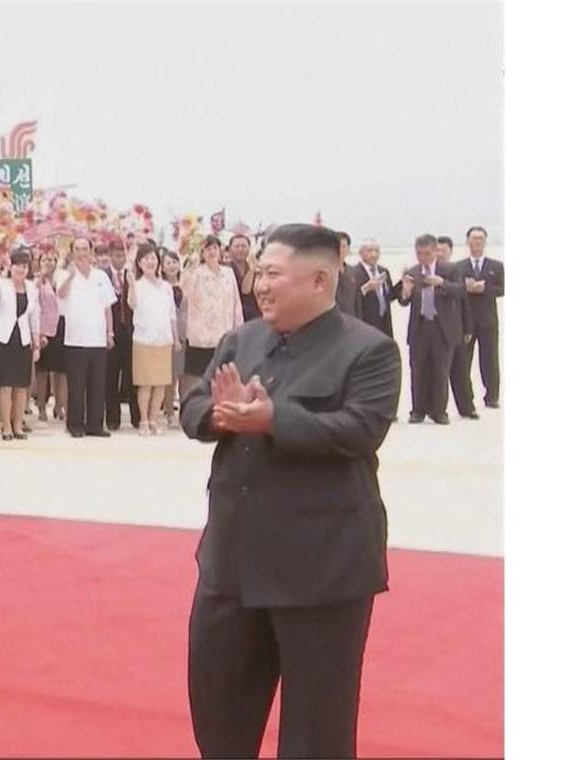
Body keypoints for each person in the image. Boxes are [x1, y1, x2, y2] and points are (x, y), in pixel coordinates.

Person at [181, 223, 401, 760]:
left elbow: (358, 430)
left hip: (320, 569)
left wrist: (273, 419)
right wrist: (221, 415)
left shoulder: (369, 351)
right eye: (260, 272)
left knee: (316, 734)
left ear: (320, 281)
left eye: (274, 273)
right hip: (232, 564)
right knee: (219, 718)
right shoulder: (242, 339)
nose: (260, 284)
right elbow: (192, 407)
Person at [393, 234, 464, 424]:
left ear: (435, 252)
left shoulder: (449, 269)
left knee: (441, 370)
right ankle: (418, 410)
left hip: (442, 327)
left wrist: (441, 283)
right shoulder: (412, 271)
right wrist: (405, 292)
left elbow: (460, 291)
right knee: (418, 369)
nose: (422, 257)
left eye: (426, 253)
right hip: (420, 326)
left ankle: (439, 411)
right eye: (419, 253)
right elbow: (402, 301)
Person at [59, 237, 117, 438]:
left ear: (91, 251)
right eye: (78, 249)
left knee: (97, 384)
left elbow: (108, 307)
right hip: (75, 339)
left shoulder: (101, 276)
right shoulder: (65, 274)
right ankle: (75, 424)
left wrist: (110, 332)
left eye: (85, 249)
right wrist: (70, 276)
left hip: (97, 339)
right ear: (72, 252)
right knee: (76, 385)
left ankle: (95, 425)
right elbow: (60, 294)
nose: (82, 253)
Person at [0, 248, 41, 440]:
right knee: (5, 385)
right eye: (18, 265)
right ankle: (6, 425)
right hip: (3, 339)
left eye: (25, 266)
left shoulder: (32, 288)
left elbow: (34, 316)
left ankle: (18, 424)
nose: (21, 269)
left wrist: (36, 344)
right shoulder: (1, 284)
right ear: (11, 266)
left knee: (21, 385)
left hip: (23, 339)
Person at [181, 235, 244, 390]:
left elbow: (236, 302)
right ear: (202, 252)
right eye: (207, 249)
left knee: (222, 378)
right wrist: (191, 267)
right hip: (201, 337)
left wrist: (239, 328)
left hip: (224, 333)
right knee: (197, 380)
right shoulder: (196, 273)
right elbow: (184, 290)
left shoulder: (228, 273)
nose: (212, 252)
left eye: (215, 248)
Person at [127, 243, 178, 435]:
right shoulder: (137, 285)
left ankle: (154, 419)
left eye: (153, 258)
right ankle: (143, 420)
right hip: (144, 340)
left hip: (164, 339)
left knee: (161, 384)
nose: (150, 262)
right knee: (146, 383)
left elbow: (172, 313)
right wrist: (131, 285)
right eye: (146, 259)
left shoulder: (166, 286)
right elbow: (132, 304)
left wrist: (175, 337)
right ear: (139, 263)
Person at [457, 226, 503, 409]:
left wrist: (486, 288)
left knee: (490, 359)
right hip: (465, 320)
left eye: (480, 239)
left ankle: (492, 396)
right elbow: (452, 288)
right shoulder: (459, 267)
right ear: (467, 241)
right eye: (473, 238)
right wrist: (465, 287)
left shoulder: (496, 266)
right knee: (464, 360)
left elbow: (503, 288)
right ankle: (467, 398)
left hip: (488, 320)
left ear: (485, 242)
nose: (477, 242)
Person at [437, 235, 478, 419]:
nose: (440, 254)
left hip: (456, 329)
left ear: (450, 252)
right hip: (436, 332)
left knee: (461, 370)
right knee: (439, 372)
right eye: (437, 251)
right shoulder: (426, 272)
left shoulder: (456, 271)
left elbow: (464, 303)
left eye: (443, 251)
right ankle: (438, 409)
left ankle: (467, 408)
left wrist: (468, 327)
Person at [104, 238, 140, 430]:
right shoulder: (103, 275)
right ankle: (112, 418)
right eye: (117, 255)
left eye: (123, 256)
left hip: (130, 331)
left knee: (131, 375)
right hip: (110, 332)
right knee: (110, 376)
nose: (120, 259)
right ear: (110, 255)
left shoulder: (131, 275)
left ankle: (136, 416)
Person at [34, 248, 67, 423]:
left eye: (51, 260)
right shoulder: (37, 280)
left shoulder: (63, 276)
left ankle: (60, 405)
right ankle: (40, 406)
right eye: (44, 260)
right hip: (43, 327)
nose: (48, 263)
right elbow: (34, 299)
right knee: (42, 371)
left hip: (61, 325)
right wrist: (42, 276)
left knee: (61, 371)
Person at [161, 248, 189, 428]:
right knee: (170, 376)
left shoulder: (187, 282)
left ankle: (185, 412)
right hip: (169, 334)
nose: (172, 266)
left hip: (187, 332)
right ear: (162, 267)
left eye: (174, 262)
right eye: (168, 263)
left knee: (185, 376)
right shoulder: (161, 286)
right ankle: (169, 411)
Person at [354, 239, 393, 338]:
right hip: (366, 323)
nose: (374, 254)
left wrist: (403, 285)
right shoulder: (354, 273)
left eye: (376, 251)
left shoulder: (383, 271)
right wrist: (366, 288)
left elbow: (390, 295)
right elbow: (351, 299)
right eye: (370, 251)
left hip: (384, 322)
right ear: (361, 253)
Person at [226, 233, 261, 322]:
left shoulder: (256, 268)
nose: (240, 249)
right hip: (231, 317)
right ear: (230, 249)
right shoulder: (224, 269)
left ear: (249, 248)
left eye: (244, 246)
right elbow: (244, 290)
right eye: (237, 246)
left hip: (254, 317)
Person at [334, 230, 363, 317]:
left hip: (351, 319)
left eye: (343, 246)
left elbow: (357, 301)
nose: (340, 250)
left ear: (348, 249)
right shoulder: (327, 271)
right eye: (336, 246)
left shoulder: (353, 272)